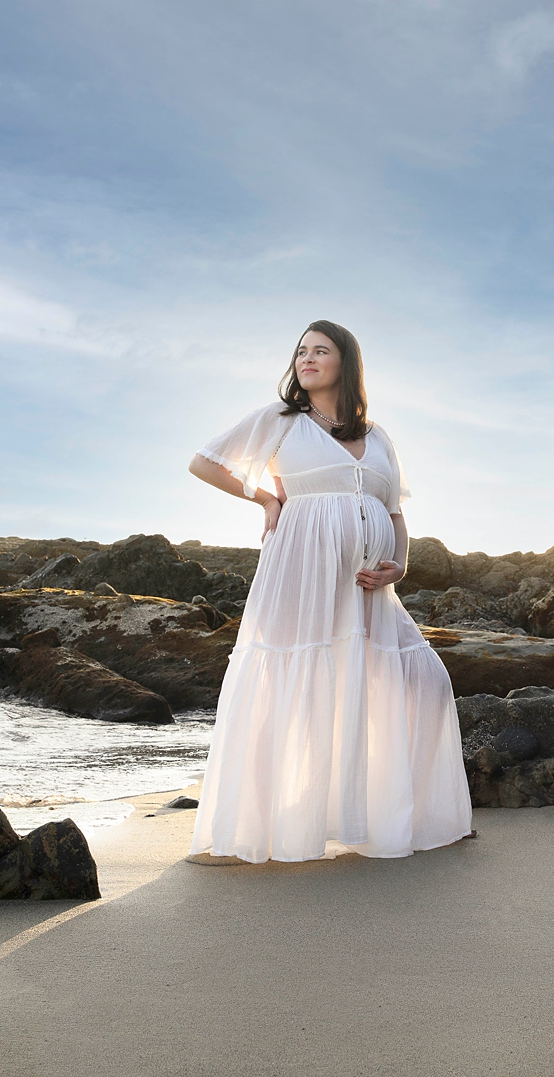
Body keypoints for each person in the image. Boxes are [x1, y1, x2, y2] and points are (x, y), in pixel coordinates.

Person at [187, 319, 473, 863]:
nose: (307, 359)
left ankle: (409, 817)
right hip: (299, 571)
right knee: (296, 686)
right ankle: (266, 826)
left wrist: (400, 566)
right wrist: (265, 499)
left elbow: (394, 512)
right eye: (301, 351)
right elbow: (204, 461)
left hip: (369, 589)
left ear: (347, 362)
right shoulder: (282, 421)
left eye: (321, 350)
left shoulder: (379, 436)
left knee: (427, 682)